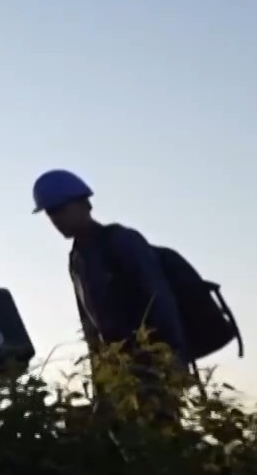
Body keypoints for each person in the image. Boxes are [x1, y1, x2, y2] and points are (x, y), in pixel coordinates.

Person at [31, 169, 188, 422]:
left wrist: (171, 363)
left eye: (61, 209)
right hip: (116, 371)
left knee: (161, 436)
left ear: (85, 204)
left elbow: (161, 302)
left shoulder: (121, 241)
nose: (56, 218)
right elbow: (91, 327)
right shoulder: (77, 258)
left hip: (151, 366)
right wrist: (102, 382)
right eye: (51, 213)